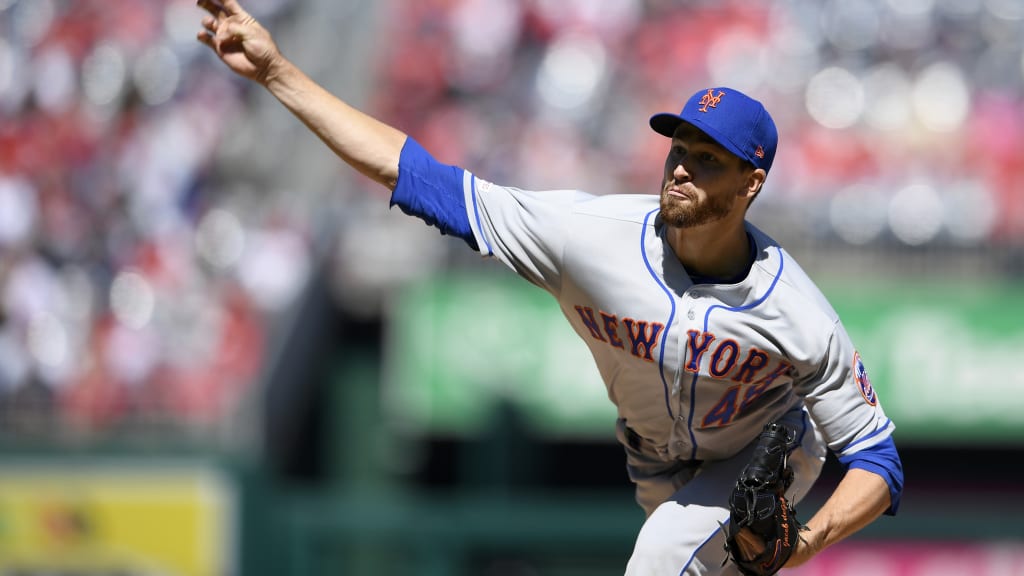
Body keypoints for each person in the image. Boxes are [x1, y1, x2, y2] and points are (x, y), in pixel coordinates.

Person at [196, 1, 904, 574]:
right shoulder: (588, 237)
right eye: (679, 150)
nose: (683, 169)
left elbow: (877, 461)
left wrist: (802, 543)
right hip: (654, 463)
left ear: (752, 183)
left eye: (709, 159)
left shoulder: (795, 312)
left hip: (768, 455)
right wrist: (278, 73)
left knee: (662, 558)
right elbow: (417, 177)